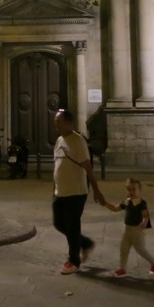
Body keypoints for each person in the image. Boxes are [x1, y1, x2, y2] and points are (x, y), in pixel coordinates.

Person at [52, 108, 105, 274]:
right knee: (59, 224)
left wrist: (96, 190)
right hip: (60, 191)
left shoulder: (78, 141)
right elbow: (57, 165)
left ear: (68, 123)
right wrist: (54, 187)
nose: (56, 124)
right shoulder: (59, 140)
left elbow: (88, 168)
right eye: (55, 121)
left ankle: (73, 261)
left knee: (72, 226)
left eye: (58, 121)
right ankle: (86, 244)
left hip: (76, 192)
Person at [102, 177, 154, 278]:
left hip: (137, 230)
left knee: (141, 250)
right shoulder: (127, 201)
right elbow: (115, 208)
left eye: (134, 189)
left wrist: (144, 222)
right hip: (127, 229)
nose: (131, 191)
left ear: (139, 190)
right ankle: (122, 269)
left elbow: (145, 215)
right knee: (123, 249)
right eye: (129, 189)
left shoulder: (141, 202)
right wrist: (105, 203)